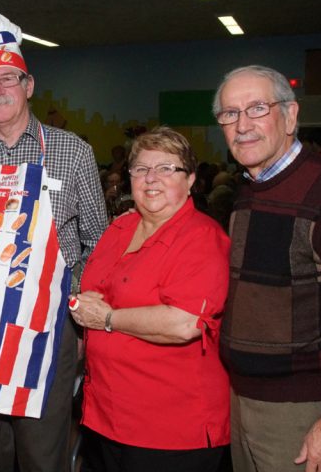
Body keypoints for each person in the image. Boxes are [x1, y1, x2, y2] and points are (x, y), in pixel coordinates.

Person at [0, 5, 106, 472]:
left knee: (41, 460)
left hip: (45, 338)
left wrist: (79, 319)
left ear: (28, 85)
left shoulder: (72, 152)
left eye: (7, 79)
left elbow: (99, 242)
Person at [213, 65, 321, 472]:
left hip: (308, 413)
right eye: (230, 114)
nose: (242, 125)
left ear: (290, 116)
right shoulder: (248, 192)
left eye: (257, 109)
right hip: (246, 402)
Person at [70, 127, 231, 471]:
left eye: (166, 168)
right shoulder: (120, 228)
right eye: (141, 169)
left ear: (190, 180)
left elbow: (185, 322)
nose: (151, 178)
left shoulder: (202, 238)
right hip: (105, 414)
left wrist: (108, 319)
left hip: (170, 427)